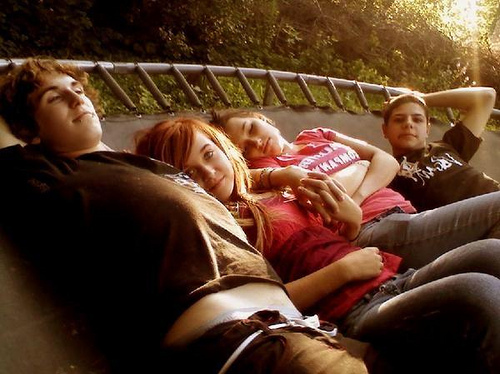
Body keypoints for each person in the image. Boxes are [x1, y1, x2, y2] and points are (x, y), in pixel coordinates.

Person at [0, 58, 373, 374]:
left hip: (299, 328)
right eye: (54, 97)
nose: (74, 97)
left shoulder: (146, 169)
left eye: (76, 89)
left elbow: (225, 177)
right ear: (29, 129)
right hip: (241, 343)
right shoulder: (58, 176)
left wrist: (277, 175)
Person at [134, 117, 500, 373]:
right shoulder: (215, 226)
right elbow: (259, 306)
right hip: (354, 308)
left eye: (210, 154)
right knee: (480, 293)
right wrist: (340, 271)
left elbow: (341, 231)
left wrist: (350, 222)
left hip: (393, 276)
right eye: (191, 172)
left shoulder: (266, 191)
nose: (210, 173)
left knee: (491, 254)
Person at [211, 109, 500, 269]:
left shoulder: (316, 134)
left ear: (261, 118)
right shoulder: (270, 172)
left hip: (406, 215)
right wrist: (362, 168)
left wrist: (356, 195)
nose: (254, 142)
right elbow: (322, 198)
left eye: (251, 129)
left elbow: (387, 161)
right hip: (372, 229)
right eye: (244, 147)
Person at [382, 87, 499, 211]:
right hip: (470, 221)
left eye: (417, 119)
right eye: (399, 120)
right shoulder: (387, 171)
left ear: (427, 129)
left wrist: (422, 99)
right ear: (385, 130)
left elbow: (487, 96)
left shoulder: (448, 145)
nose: (408, 124)